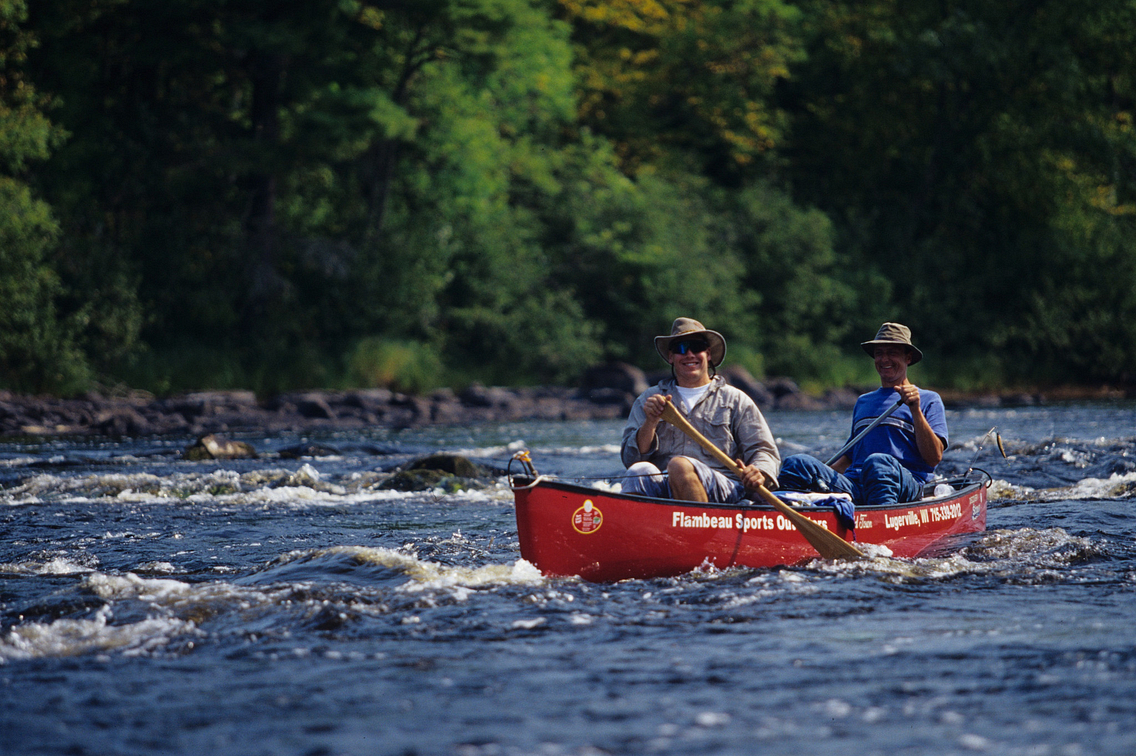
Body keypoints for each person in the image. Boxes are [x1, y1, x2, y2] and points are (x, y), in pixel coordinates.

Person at [779, 322, 948, 508]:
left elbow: (934, 458)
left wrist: (915, 410)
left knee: (877, 463)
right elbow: (850, 457)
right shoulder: (863, 402)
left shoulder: (929, 399)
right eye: (879, 353)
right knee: (796, 464)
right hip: (855, 485)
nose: (884, 359)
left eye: (892, 352)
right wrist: (817, 476)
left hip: (905, 484)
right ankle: (785, 519)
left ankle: (881, 522)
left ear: (908, 358)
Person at [621, 317, 780, 503]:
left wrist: (759, 472)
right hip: (667, 487)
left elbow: (763, 450)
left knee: (680, 465)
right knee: (637, 472)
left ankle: (701, 528)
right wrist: (651, 422)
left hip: (726, 489)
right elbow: (631, 459)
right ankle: (638, 530)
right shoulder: (648, 399)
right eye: (681, 348)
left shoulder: (735, 399)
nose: (689, 354)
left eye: (696, 347)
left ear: (708, 353)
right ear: (671, 357)